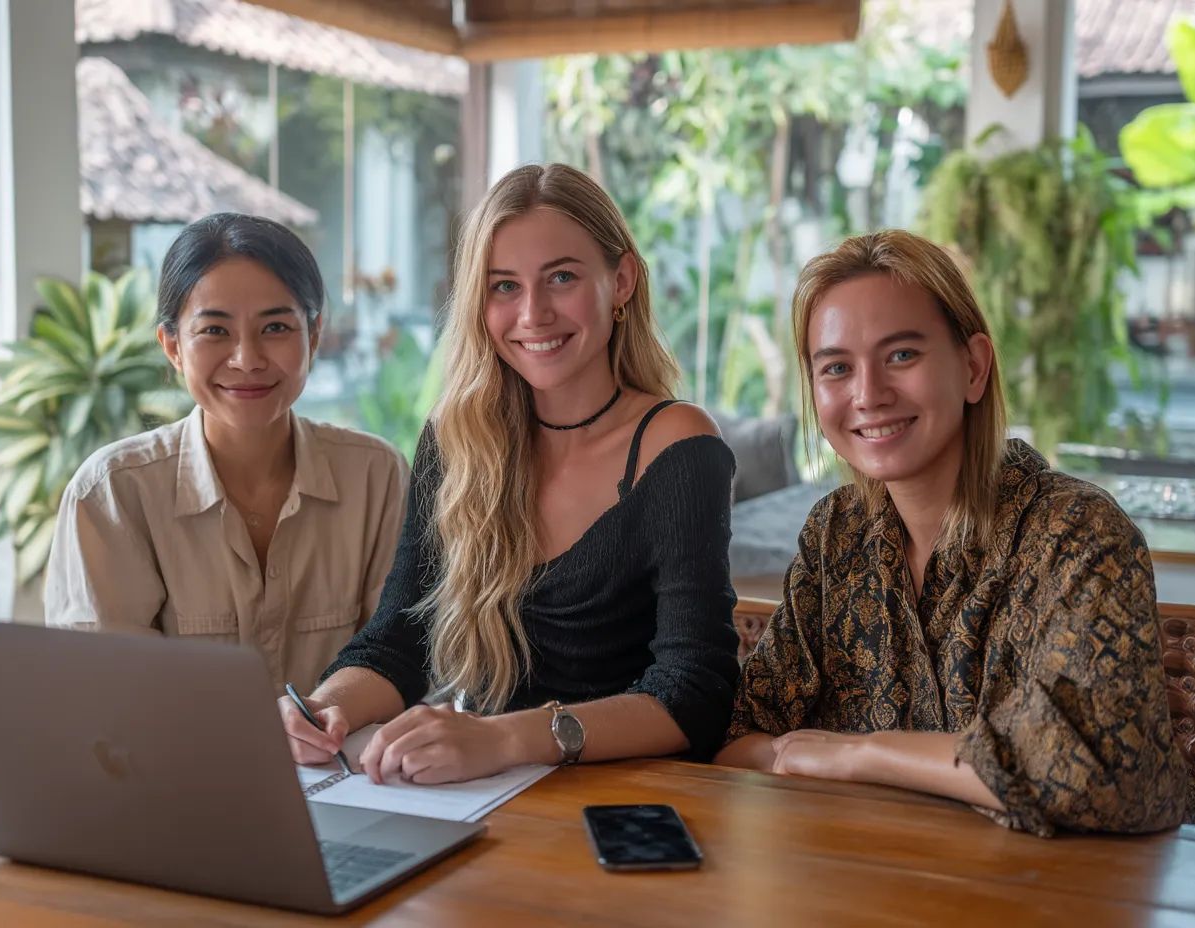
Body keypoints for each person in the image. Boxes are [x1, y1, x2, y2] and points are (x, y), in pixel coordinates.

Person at [716, 229, 1195, 835]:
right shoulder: (835, 535)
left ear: (974, 367)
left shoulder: (1078, 535)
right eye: (837, 368)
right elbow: (741, 741)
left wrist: (857, 754)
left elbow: (1092, 770)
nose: (868, 394)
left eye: (902, 355)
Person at [280, 163, 740, 785]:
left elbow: (694, 694)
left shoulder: (677, 444)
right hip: (487, 794)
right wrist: (324, 707)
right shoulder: (456, 438)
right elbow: (399, 637)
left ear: (622, 279)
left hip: (634, 799)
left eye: (562, 277)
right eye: (503, 286)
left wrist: (504, 738)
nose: (533, 313)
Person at [45, 213, 410, 696]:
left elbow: (402, 655)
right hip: (177, 771)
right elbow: (107, 698)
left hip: (347, 766)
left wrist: (319, 719)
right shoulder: (112, 493)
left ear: (314, 336)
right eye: (215, 331)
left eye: (276, 326)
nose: (247, 358)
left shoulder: (377, 475)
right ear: (172, 346)